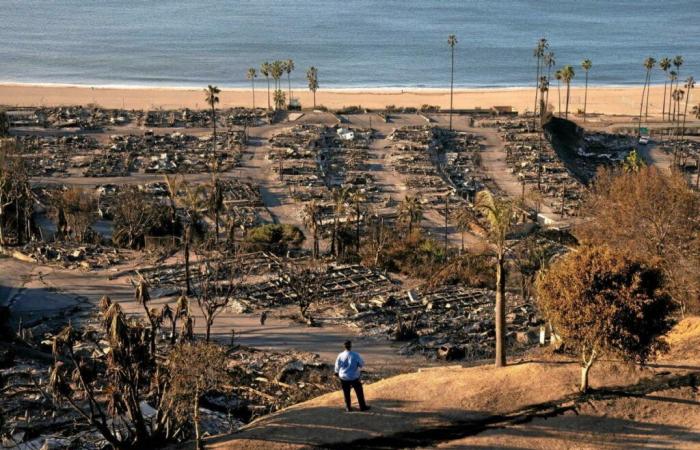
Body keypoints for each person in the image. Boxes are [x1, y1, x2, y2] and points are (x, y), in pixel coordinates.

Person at [334, 340, 370, 412]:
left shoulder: (340, 355)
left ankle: (348, 407)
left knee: (346, 392)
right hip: (354, 377)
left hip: (343, 377)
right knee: (359, 391)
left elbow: (337, 367)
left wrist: (337, 373)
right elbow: (361, 364)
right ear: (351, 346)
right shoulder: (355, 355)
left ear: (344, 346)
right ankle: (362, 406)